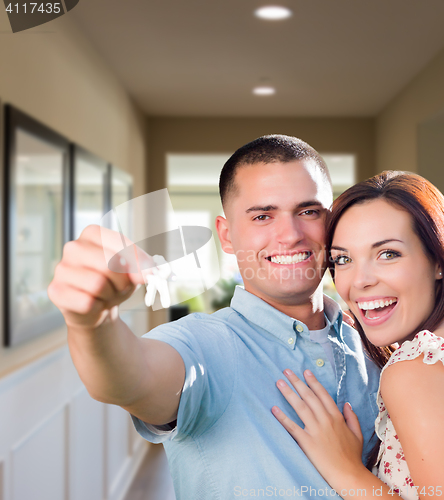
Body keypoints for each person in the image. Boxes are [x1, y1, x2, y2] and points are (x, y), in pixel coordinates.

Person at [48, 135, 380, 499]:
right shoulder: (204, 344)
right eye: (262, 216)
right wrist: (93, 322)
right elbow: (132, 379)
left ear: (331, 222)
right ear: (226, 235)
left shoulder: (373, 341)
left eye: (309, 211)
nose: (290, 234)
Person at [272, 171, 444, 499]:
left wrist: (343, 468)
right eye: (343, 259)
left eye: (388, 253)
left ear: (438, 260)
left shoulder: (415, 371)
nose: (360, 280)